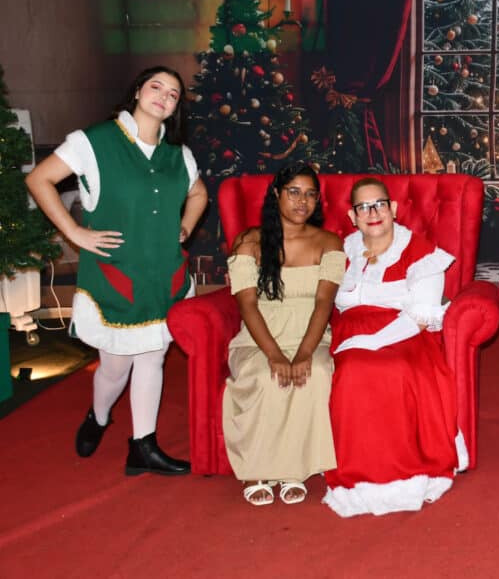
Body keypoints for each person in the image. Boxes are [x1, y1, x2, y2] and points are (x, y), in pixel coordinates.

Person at [26, 66, 207, 475]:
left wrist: (185, 227)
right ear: (138, 91)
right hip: (115, 276)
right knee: (115, 366)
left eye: (173, 94)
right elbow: (39, 179)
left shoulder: (178, 154)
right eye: (156, 86)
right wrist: (74, 232)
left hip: (163, 276)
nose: (164, 96)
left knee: (153, 357)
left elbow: (198, 193)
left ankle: (143, 446)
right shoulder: (93, 142)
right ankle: (99, 415)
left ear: (176, 107)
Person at [323, 177, 465, 517]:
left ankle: (403, 473)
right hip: (348, 332)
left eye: (380, 204)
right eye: (363, 207)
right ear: (352, 216)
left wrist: (369, 342)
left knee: (387, 369)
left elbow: (420, 316)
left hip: (405, 333)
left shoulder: (422, 252)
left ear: (394, 209)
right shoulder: (340, 252)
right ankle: (359, 474)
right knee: (351, 371)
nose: (373, 213)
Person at [222, 163, 344, 505]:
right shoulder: (250, 242)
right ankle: (256, 469)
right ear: (276, 194)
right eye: (294, 192)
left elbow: (324, 302)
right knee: (266, 376)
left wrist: (304, 353)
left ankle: (294, 469)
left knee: (316, 374)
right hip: (259, 339)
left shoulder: (329, 242)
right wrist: (275, 355)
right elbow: (247, 304)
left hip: (310, 335)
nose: (302, 201)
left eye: (310, 194)